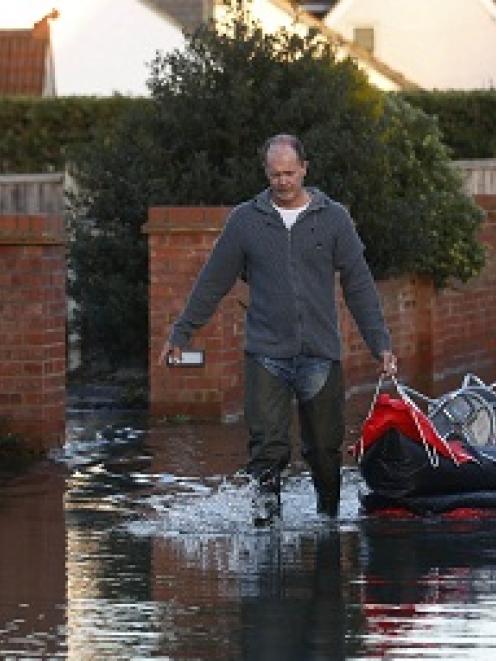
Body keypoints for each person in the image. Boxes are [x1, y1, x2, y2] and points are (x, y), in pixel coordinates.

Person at [159, 133, 397, 523]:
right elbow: (212, 281)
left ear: (304, 168)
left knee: (323, 449)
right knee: (267, 449)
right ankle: (265, 531)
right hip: (266, 355)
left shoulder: (334, 218)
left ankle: (328, 522)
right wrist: (181, 333)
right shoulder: (245, 222)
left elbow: (359, 285)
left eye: (289, 173)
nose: (283, 181)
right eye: (275, 175)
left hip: (320, 355)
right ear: (266, 173)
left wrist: (380, 344)